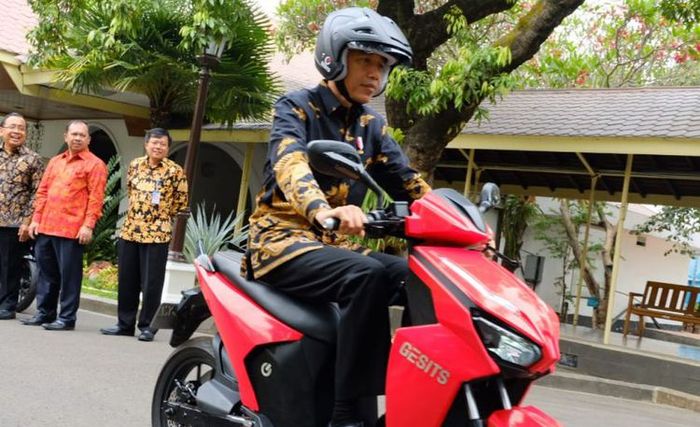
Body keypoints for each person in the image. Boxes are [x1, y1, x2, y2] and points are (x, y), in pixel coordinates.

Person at [243, 8, 430, 427]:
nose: (375, 74)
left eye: (382, 66)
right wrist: (323, 210)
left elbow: (410, 184)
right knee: (365, 276)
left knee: (420, 278)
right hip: (280, 241)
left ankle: (414, 395)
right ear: (336, 57)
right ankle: (346, 412)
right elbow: (291, 164)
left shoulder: (371, 126)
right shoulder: (297, 107)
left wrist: (462, 228)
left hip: (332, 245)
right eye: (366, 60)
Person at [100, 128, 188, 342]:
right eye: (154, 143)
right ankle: (124, 323)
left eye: (163, 144)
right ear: (146, 144)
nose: (158, 147)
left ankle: (148, 326)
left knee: (151, 283)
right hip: (130, 231)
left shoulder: (175, 171)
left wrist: (159, 216)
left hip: (157, 234)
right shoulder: (135, 165)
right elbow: (131, 191)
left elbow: (181, 203)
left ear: (168, 148)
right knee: (127, 279)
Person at [22, 120, 107, 330]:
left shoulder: (95, 164)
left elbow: (96, 198)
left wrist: (88, 225)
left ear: (88, 139)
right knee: (45, 273)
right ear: (66, 136)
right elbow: (42, 192)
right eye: (74, 134)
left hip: (72, 230)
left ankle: (67, 318)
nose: (77, 138)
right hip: (46, 227)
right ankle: (45, 313)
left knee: (69, 277)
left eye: (82, 135)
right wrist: (36, 219)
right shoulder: (55, 161)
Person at [0, 113, 44, 320]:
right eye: (12, 127)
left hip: (14, 222)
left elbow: (37, 194)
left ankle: (7, 306)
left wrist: (27, 223)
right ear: (2, 130)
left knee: (10, 266)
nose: (17, 131)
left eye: (21, 128)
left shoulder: (33, 159)